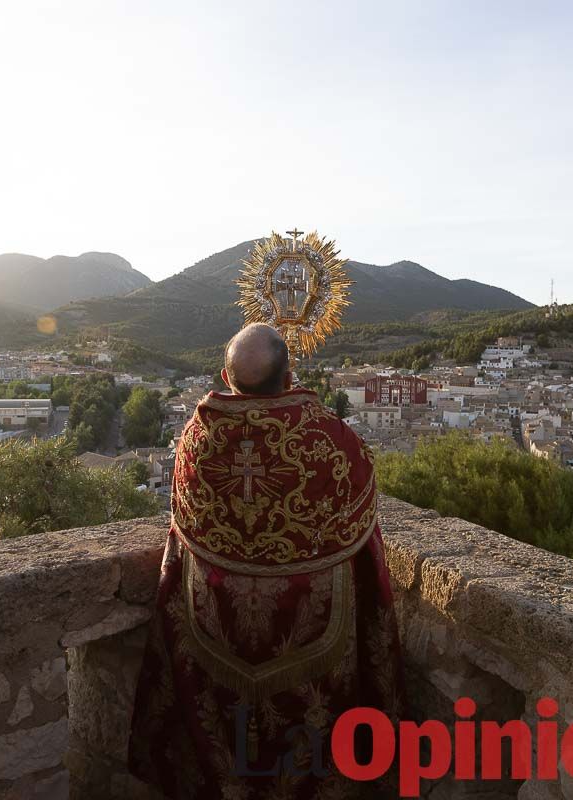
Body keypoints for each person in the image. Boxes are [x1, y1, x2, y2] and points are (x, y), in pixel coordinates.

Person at [128, 323, 403, 799]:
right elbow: (361, 523)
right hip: (311, 637)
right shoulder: (329, 440)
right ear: (290, 373)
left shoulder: (197, 437)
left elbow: (183, 527)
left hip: (216, 630)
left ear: (224, 374)